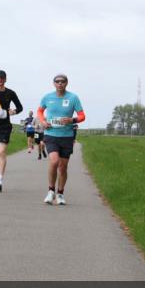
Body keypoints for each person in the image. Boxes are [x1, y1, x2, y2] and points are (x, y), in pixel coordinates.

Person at [37, 73, 85, 205]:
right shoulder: (47, 97)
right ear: (54, 83)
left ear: (66, 83)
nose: (60, 83)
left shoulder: (73, 98)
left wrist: (72, 119)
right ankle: (50, 191)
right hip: (51, 134)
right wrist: (43, 122)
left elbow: (82, 116)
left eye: (62, 81)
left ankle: (60, 193)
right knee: (54, 161)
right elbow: (40, 112)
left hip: (67, 136)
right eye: (57, 81)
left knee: (63, 167)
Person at [0, 70, 23, 192]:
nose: (0, 80)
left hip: (5, 126)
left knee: (2, 152)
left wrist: (14, 111)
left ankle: (0, 180)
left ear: (5, 79)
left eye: (2, 78)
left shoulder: (10, 93)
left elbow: (20, 107)